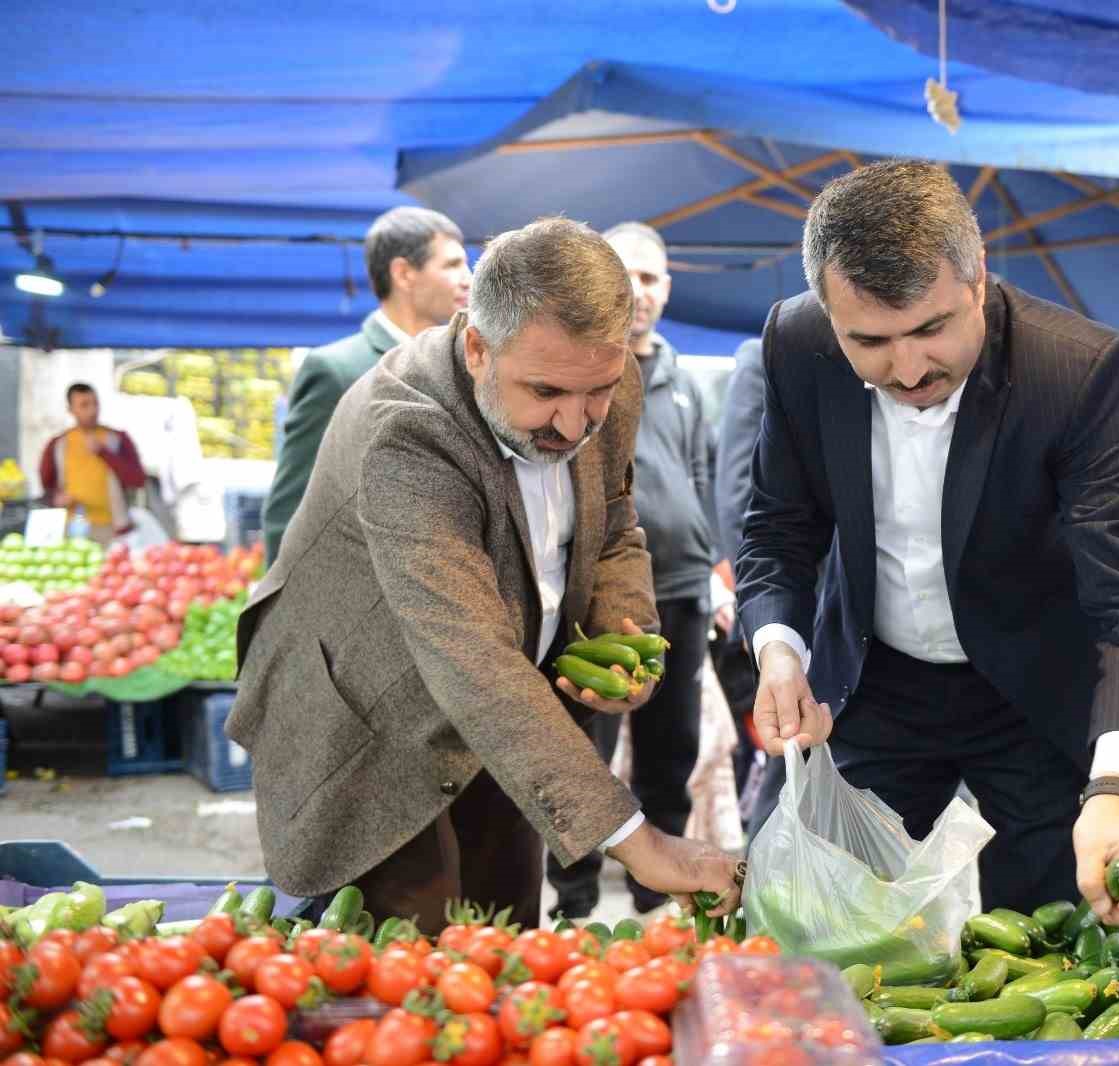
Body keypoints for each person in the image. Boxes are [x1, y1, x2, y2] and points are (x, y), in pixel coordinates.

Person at [227, 218, 741, 932]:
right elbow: (470, 658)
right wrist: (640, 842)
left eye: (597, 390)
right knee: (414, 965)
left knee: (505, 938)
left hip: (510, 711)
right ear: (476, 346)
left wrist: (626, 633)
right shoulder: (404, 429)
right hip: (372, 720)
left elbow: (616, 518)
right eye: (546, 392)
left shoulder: (600, 381)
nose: (575, 423)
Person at [736, 161, 1119, 922]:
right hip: (872, 685)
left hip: (1037, 692)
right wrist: (780, 650)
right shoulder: (796, 344)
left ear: (977, 280)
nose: (909, 368)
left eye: (932, 328)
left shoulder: (1073, 369)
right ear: (826, 311)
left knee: (1058, 940)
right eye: (871, 341)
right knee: (816, 918)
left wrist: (1117, 790)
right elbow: (777, 528)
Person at [545, 221, 720, 918]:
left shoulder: (686, 380)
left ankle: (658, 890)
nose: (639, 292)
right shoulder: (579, 372)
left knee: (670, 752)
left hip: (680, 591)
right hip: (595, 602)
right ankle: (575, 896)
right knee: (582, 749)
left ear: (667, 287)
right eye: (626, 276)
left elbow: (706, 476)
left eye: (651, 278)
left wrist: (716, 566)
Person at [262, 206, 471, 563]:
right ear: (403, 273)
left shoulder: (469, 367)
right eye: (452, 265)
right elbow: (289, 515)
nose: (468, 278)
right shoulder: (337, 370)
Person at [711, 337, 766, 802]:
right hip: (798, 600)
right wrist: (760, 604)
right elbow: (737, 494)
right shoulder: (764, 356)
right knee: (794, 762)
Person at [38, 383, 147, 545]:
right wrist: (56, 499)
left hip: (111, 529)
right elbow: (47, 487)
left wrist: (104, 453)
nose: (92, 410)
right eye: (84, 405)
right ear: (71, 410)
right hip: (71, 528)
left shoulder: (117, 439)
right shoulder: (58, 444)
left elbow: (137, 480)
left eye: (95, 403)